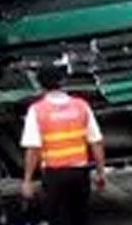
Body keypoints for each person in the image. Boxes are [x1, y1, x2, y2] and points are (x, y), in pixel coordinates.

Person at [21, 63, 106, 225]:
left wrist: (27, 180)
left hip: (54, 176)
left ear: (40, 84)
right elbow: (96, 142)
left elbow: (33, 149)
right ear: (62, 82)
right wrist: (101, 172)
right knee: (79, 218)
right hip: (80, 174)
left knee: (55, 219)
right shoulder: (81, 106)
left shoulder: (37, 110)